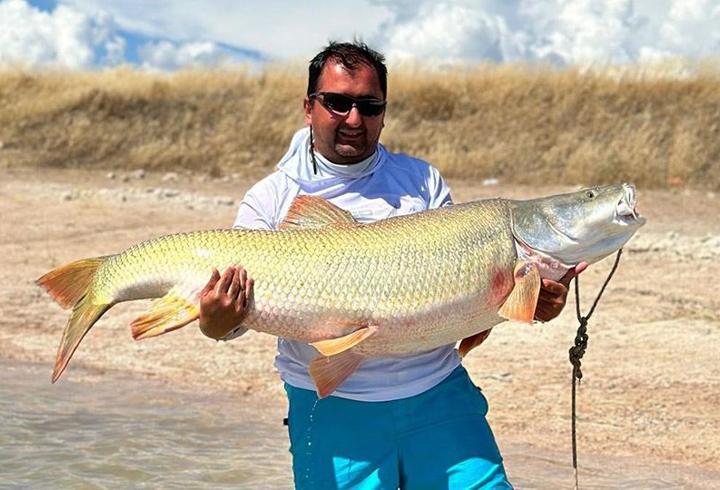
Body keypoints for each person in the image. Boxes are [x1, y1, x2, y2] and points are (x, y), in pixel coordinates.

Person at [198, 41, 585, 489]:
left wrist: (531, 303)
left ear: (384, 110)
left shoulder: (421, 182)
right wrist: (215, 322)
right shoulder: (270, 200)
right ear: (309, 107)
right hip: (332, 406)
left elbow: (464, 301)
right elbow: (229, 321)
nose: (354, 119)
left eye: (369, 105)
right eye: (337, 103)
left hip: (439, 395)